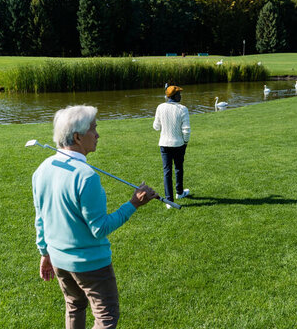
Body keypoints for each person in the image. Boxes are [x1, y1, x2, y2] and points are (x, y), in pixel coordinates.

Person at [33, 105, 158, 329]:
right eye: (94, 129)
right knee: (106, 318)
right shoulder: (86, 177)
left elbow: (40, 219)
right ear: (78, 137)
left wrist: (45, 253)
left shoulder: (42, 168)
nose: (98, 135)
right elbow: (99, 229)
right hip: (90, 265)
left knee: (74, 307)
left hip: (60, 260)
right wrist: (134, 204)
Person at [153, 85, 191, 208]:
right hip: (179, 144)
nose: (181, 96)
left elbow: (156, 127)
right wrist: (185, 142)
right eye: (179, 94)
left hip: (164, 143)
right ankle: (179, 192)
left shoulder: (160, 107)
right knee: (178, 168)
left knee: (167, 171)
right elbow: (186, 130)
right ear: (174, 96)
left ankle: (169, 200)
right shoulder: (183, 109)